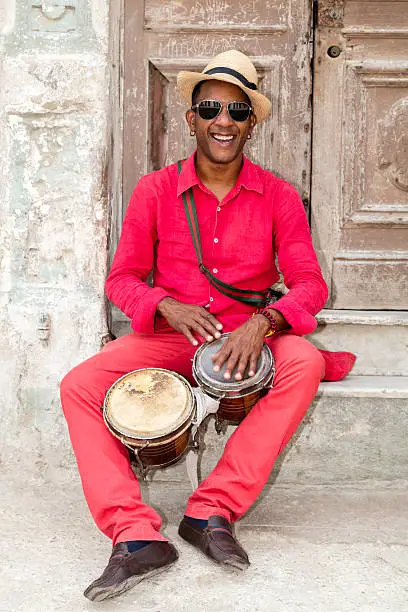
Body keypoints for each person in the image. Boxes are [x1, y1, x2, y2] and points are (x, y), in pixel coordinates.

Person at [60, 49, 354, 602]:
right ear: (191, 117)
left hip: (249, 338)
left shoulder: (280, 197)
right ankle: (134, 535)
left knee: (306, 362)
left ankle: (212, 510)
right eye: (212, 107)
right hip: (170, 336)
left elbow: (311, 285)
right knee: (78, 385)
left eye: (238, 111)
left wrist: (265, 322)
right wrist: (163, 305)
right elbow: (121, 279)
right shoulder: (153, 190)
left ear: (252, 123)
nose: (224, 120)